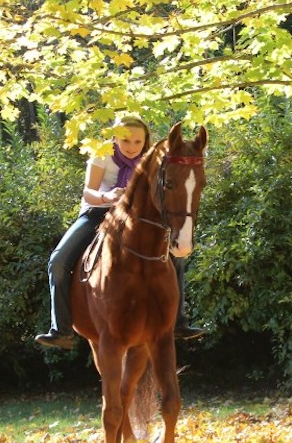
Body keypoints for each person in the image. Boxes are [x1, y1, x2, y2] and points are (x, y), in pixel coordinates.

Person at [35, 115, 201, 348]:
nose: (132, 147)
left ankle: (178, 322)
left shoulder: (152, 160)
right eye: (125, 141)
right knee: (59, 261)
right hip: (97, 214)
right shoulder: (101, 154)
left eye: (137, 142)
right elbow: (88, 193)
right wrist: (109, 196)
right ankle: (61, 329)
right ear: (114, 138)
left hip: (136, 218)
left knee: (177, 258)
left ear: (145, 141)